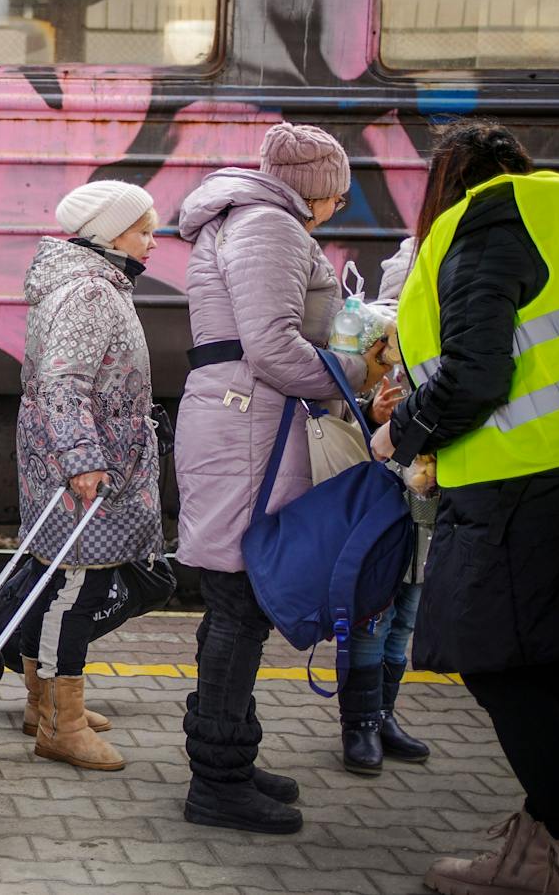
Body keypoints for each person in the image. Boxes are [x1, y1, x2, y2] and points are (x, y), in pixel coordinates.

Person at [365, 123, 559, 895]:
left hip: (521, 485)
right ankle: (542, 841)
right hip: (557, 478)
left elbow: (477, 373)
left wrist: (402, 432)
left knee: (493, 660)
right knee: (556, 662)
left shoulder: (487, 224)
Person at [173, 122, 375, 835]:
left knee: (236, 603)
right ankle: (217, 782)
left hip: (245, 424)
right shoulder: (270, 225)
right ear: (315, 189)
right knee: (240, 605)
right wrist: (358, 372)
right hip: (250, 430)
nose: (338, 207)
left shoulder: (248, 219)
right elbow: (272, 346)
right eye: (337, 194)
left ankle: (229, 757)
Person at [335, 123, 524, 776]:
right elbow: (380, 349)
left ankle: (384, 713)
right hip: (406, 453)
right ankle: (359, 722)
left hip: (452, 457)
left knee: (412, 599)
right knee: (379, 596)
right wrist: (383, 405)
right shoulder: (418, 255)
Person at [10, 181, 164, 772]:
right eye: (144, 230)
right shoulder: (91, 292)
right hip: (84, 467)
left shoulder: (87, 284)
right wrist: (82, 459)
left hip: (74, 460)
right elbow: (63, 383)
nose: (153, 241)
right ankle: (61, 725)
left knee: (51, 582)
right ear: (109, 234)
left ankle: (41, 703)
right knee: (77, 589)